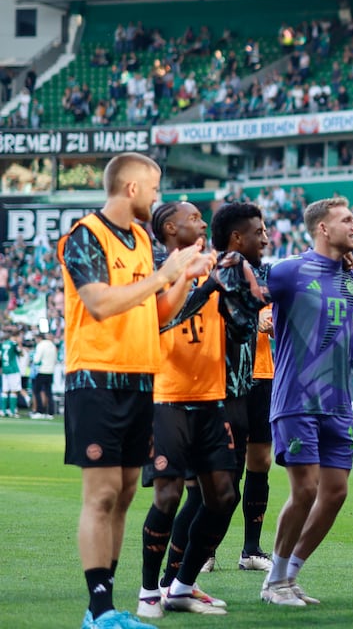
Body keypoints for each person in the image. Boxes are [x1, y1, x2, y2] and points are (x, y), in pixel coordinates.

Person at [59, 152, 208, 629]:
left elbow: (156, 312)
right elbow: (99, 303)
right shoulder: (86, 234)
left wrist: (182, 279)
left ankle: (105, 605)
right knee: (101, 494)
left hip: (141, 378)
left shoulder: (142, 238)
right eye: (155, 187)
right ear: (131, 188)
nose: (157, 197)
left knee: (124, 493)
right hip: (97, 377)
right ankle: (98, 609)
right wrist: (163, 276)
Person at [137, 201, 265, 619]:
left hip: (211, 398)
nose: (203, 223)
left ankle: (181, 586)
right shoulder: (153, 271)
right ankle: (149, 591)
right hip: (166, 396)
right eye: (193, 218)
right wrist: (208, 285)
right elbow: (161, 321)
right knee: (169, 495)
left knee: (224, 496)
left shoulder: (217, 266)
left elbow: (238, 329)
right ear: (170, 228)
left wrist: (243, 299)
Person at [261, 197, 353, 606]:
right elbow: (245, 296)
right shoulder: (287, 271)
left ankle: (290, 575)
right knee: (306, 490)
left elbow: (347, 334)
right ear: (323, 229)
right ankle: (274, 581)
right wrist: (259, 318)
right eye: (347, 220)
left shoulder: (350, 277)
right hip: (297, 398)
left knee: (335, 493)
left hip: (338, 402)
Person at [210, 202, 277, 572]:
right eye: (259, 231)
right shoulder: (216, 271)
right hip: (226, 378)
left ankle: (251, 549)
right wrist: (254, 321)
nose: (265, 238)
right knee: (224, 465)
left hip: (263, 375)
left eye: (266, 231)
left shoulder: (269, 273)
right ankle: (206, 549)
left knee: (260, 461)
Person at [32, 330, 58, 417]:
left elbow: (36, 360)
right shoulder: (52, 345)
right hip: (50, 371)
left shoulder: (41, 345)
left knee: (37, 391)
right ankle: (50, 412)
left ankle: (40, 411)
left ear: (39, 338)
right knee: (48, 392)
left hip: (42, 370)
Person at [1, 329, 21, 417]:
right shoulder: (14, 344)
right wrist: (19, 344)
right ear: (16, 336)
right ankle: (12, 411)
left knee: (5, 390)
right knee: (14, 390)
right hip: (13, 370)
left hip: (5, 369)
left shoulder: (3, 344)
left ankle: (3, 410)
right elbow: (20, 353)